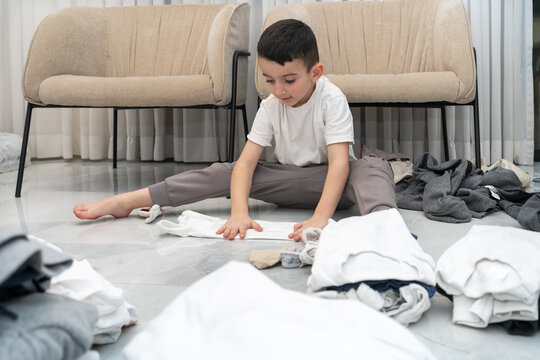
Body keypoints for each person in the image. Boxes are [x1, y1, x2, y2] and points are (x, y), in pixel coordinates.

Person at [73, 19, 396, 241]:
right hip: (283, 180)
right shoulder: (271, 105)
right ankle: (129, 201)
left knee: (372, 167)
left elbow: (339, 165)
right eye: (269, 80)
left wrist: (320, 218)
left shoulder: (331, 97)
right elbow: (245, 164)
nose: (279, 89)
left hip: (332, 186)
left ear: (316, 72)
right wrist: (239, 213)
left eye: (289, 80)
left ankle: (387, 229)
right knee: (224, 171)